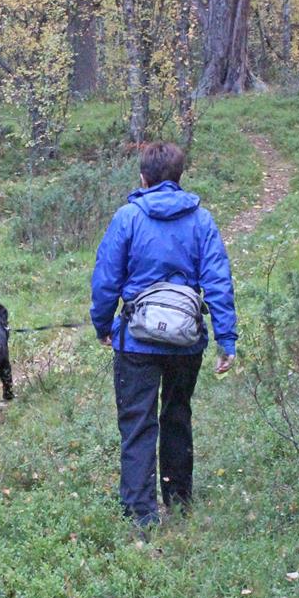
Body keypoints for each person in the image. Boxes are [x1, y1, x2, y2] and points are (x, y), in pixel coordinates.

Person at [89, 142, 236, 529]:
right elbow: (218, 281)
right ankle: (179, 501)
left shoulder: (127, 218)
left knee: (137, 422)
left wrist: (103, 325)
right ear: (178, 177)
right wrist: (227, 339)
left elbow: (106, 279)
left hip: (136, 341)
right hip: (186, 343)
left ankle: (140, 513)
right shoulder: (201, 220)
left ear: (143, 178)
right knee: (177, 415)